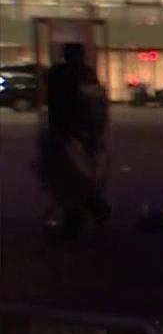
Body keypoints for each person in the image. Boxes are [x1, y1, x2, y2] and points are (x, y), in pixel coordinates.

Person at [36, 42, 111, 238]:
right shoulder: (85, 74)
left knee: (67, 180)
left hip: (62, 133)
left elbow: (50, 100)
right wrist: (96, 131)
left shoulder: (56, 74)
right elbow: (96, 106)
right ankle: (92, 211)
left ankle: (82, 216)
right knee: (80, 178)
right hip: (80, 134)